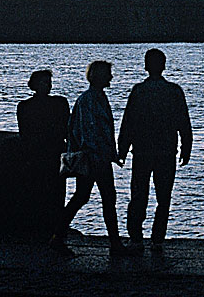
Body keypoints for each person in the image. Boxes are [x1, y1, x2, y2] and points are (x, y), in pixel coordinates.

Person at [117, 48, 192, 254]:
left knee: (139, 194)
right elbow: (183, 122)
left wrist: (122, 149)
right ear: (164, 66)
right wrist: (187, 147)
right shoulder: (175, 91)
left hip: (141, 151)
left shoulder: (138, 91)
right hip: (166, 151)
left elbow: (128, 122)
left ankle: (135, 237)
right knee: (164, 197)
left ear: (146, 66)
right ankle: (157, 238)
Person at [51, 60, 130, 257]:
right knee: (105, 198)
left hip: (96, 157)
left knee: (83, 197)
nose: (111, 77)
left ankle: (58, 236)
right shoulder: (92, 100)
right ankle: (114, 243)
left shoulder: (92, 98)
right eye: (108, 74)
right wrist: (104, 155)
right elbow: (91, 131)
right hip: (95, 158)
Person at [16, 69, 69, 235]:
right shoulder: (59, 103)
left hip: (44, 154)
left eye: (48, 82)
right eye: (44, 82)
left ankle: (51, 227)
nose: (48, 86)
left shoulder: (26, 106)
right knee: (49, 191)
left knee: (53, 192)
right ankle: (52, 227)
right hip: (44, 154)